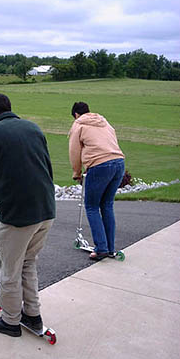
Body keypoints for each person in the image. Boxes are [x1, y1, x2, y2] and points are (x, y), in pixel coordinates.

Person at [0, 93, 55, 337]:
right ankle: (33, 314)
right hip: (46, 209)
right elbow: (46, 167)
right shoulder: (33, 128)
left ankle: (10, 321)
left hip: (18, 215)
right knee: (28, 263)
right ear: (9, 108)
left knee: (9, 269)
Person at [68, 101, 125, 261]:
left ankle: (101, 248)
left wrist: (76, 173)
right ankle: (110, 248)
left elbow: (74, 151)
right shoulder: (103, 121)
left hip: (100, 165)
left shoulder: (78, 125)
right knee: (107, 205)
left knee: (92, 206)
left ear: (76, 115)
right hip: (119, 162)